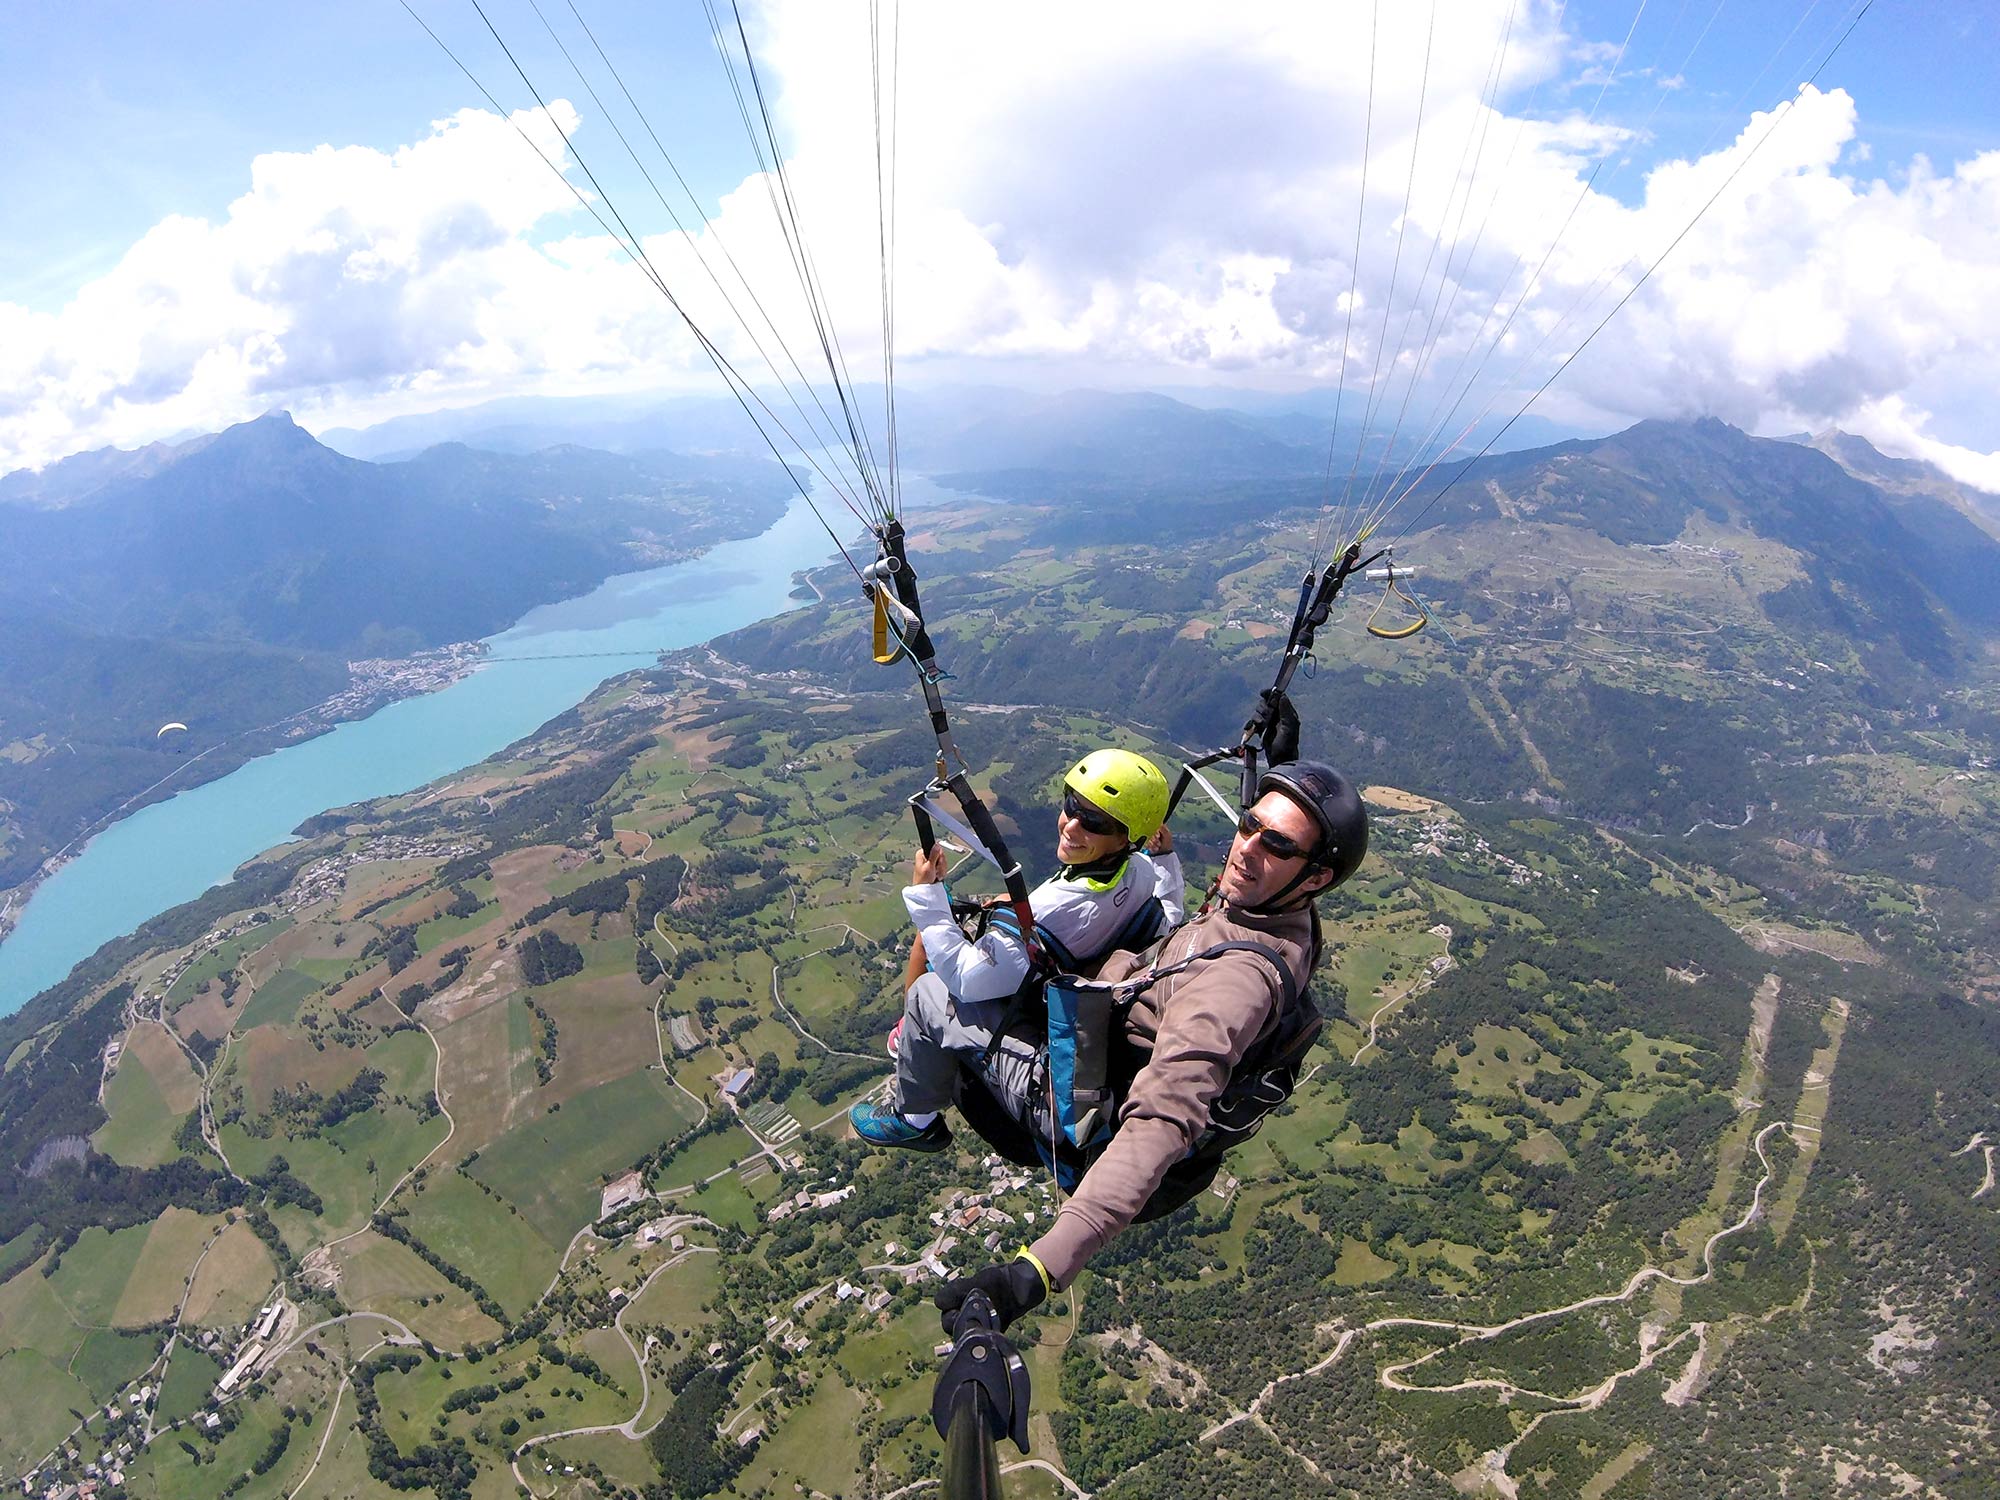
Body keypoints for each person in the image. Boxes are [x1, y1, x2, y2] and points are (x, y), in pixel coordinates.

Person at [919, 760, 1371, 1332]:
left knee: (934, 1000)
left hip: (1083, 1118)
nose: (1246, 847)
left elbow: (1163, 1118)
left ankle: (912, 1113)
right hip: (1121, 1046)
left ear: (1316, 879)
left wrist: (1031, 1274)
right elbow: (1271, 857)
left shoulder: (1238, 984)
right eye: (1249, 823)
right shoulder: (1278, 910)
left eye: (1275, 843)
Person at [848, 748, 1183, 1150]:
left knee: (926, 993)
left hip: (1029, 1016)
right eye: (1072, 805)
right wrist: (1165, 860)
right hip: (1061, 984)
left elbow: (968, 979)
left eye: (1093, 821)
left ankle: (914, 1119)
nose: (1071, 826)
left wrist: (928, 896)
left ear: (1127, 838)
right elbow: (1168, 917)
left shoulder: (1050, 912)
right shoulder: (1142, 872)